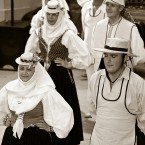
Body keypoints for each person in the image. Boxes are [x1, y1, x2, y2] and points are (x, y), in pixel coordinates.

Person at [25, 0, 91, 144]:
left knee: (62, 106)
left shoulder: (66, 33)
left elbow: (85, 56)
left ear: (60, 14)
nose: (51, 18)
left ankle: (63, 139)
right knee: (41, 105)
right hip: (42, 74)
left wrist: (70, 63)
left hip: (60, 76)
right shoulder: (39, 31)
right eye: (49, 14)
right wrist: (34, 59)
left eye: (54, 15)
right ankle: (43, 138)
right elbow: (28, 51)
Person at [0, 52, 74, 145]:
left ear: (35, 71)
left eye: (29, 69)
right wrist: (5, 119)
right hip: (12, 137)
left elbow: (66, 111)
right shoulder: (10, 88)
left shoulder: (45, 91)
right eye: (21, 68)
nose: (24, 72)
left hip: (36, 138)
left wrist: (51, 128)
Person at [88, 37, 145, 145]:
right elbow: (93, 110)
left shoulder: (137, 83)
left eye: (113, 56)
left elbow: (144, 118)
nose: (108, 60)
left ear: (125, 58)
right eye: (105, 55)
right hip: (98, 141)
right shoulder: (95, 79)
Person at [92, 0, 145, 71]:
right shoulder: (98, 25)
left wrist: (126, 64)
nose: (108, 8)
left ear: (120, 8)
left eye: (112, 5)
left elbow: (140, 55)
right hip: (100, 70)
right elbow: (93, 49)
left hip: (122, 72)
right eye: (107, 5)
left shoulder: (130, 27)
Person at [77, 0, 106, 118]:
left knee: (103, 82)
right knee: (91, 81)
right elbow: (85, 30)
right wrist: (82, 48)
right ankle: (92, 109)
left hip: (103, 52)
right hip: (88, 51)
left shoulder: (107, 8)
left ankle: (104, 110)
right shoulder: (86, 8)